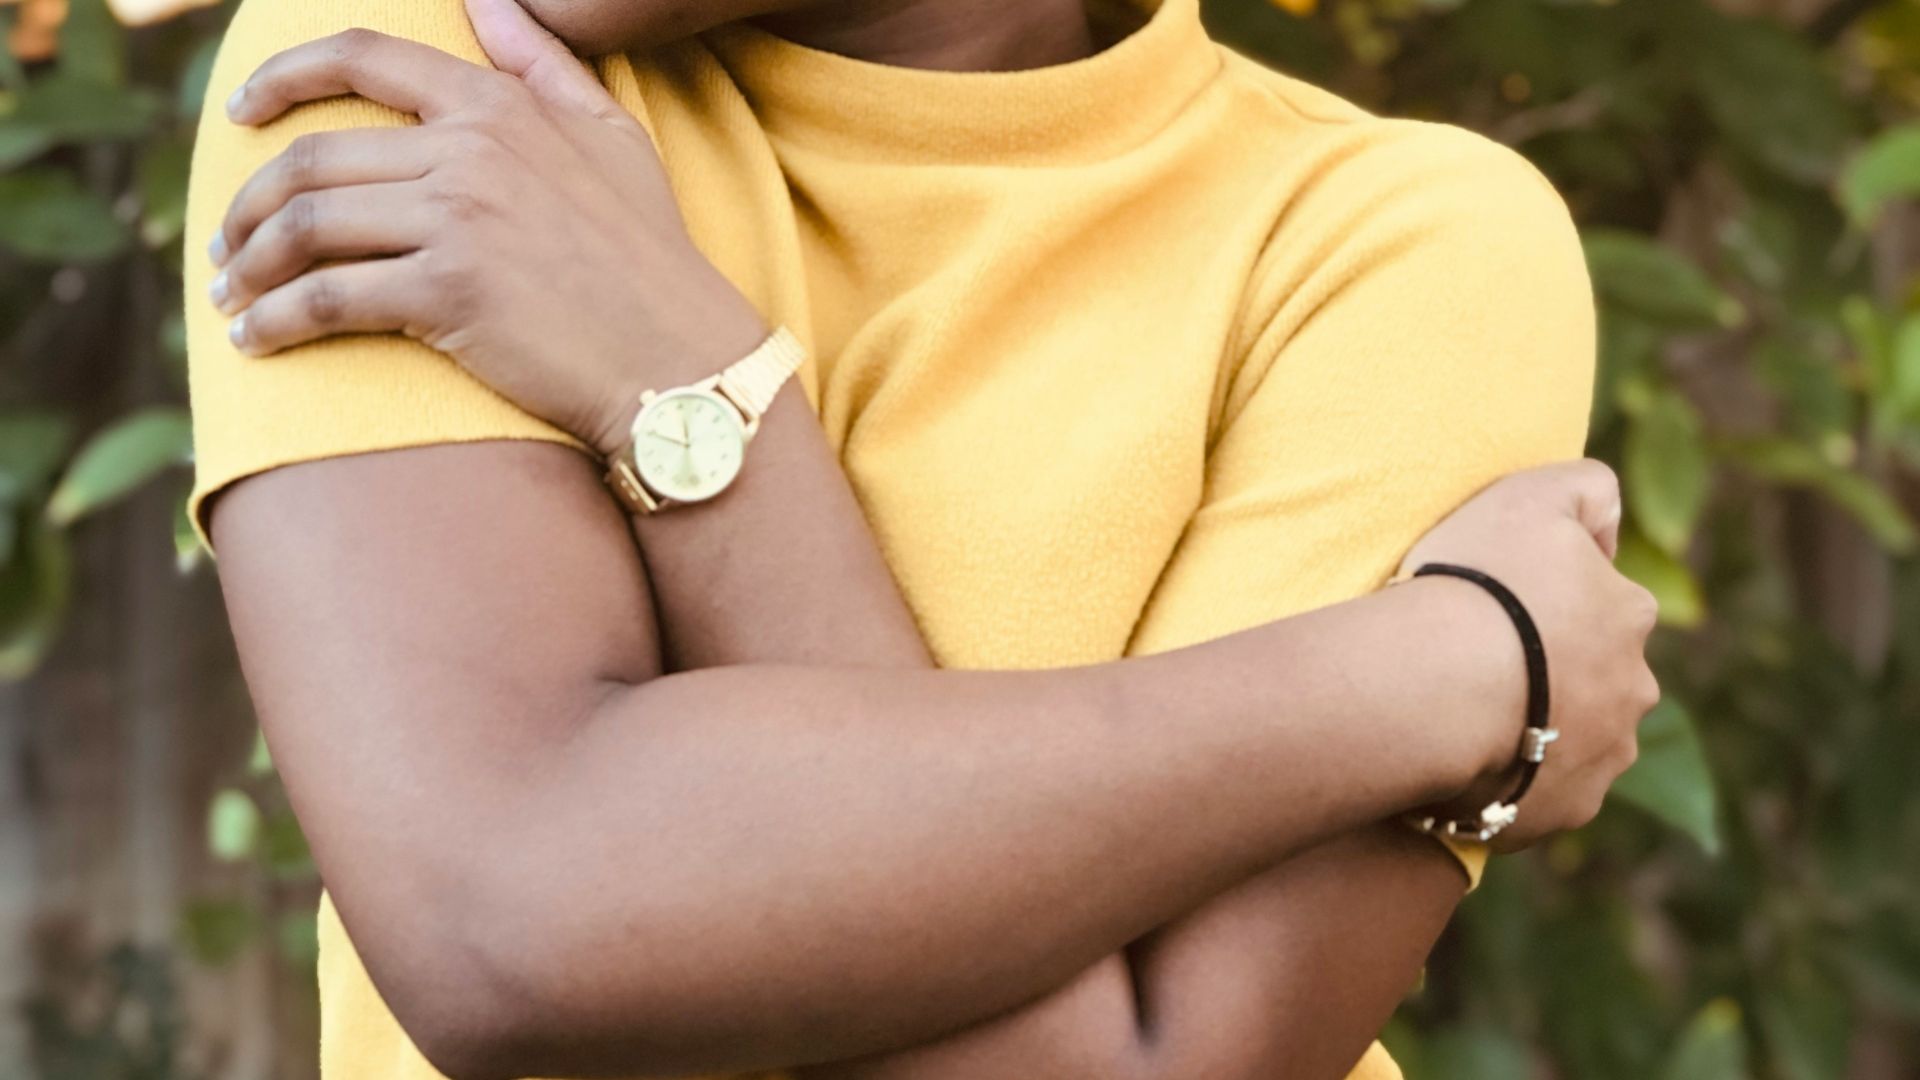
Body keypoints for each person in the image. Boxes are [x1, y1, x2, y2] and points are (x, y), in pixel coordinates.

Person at [182, 0, 1659, 1077]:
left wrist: (687, 402)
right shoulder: (432, 83)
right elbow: (504, 913)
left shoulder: (1396, 243)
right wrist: (1448, 672)